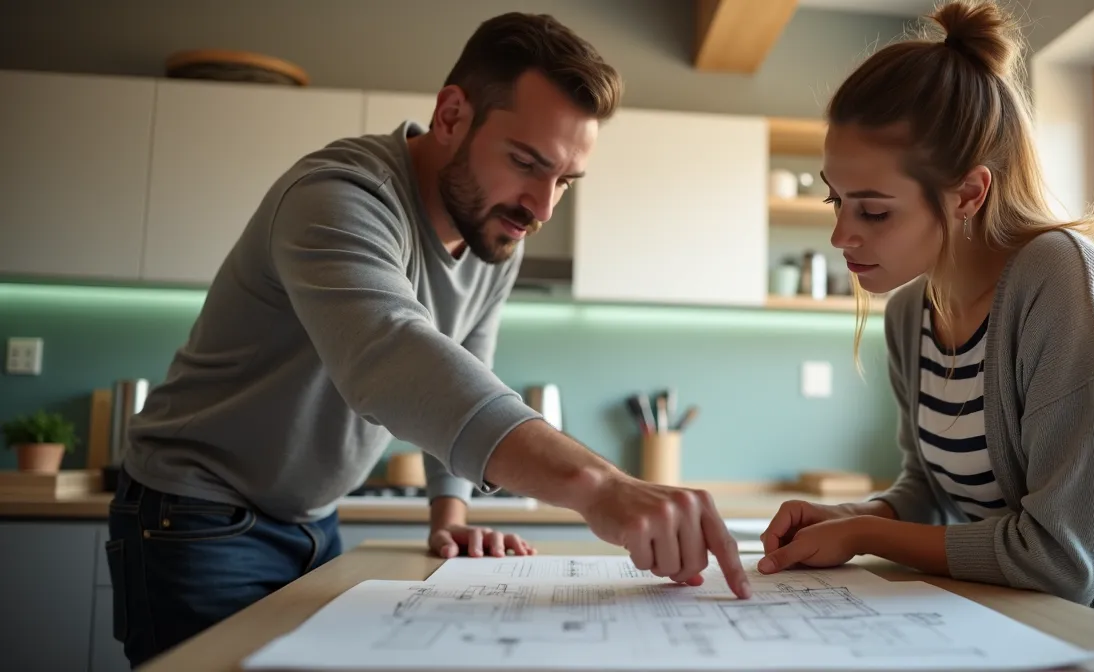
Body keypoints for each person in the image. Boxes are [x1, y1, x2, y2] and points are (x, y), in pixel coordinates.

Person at [106, 12, 749, 668]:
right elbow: (395, 358)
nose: (543, 206)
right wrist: (601, 486)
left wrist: (450, 514)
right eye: (526, 163)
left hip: (312, 523)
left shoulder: (494, 231)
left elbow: (465, 367)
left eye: (564, 180)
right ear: (450, 116)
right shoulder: (336, 197)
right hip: (193, 517)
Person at [754, 0, 1094, 649]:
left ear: (969, 193)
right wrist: (853, 513)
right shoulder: (908, 315)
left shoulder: (1060, 277)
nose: (841, 233)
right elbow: (929, 489)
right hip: (1035, 633)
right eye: (836, 200)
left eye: (873, 210)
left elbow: (1062, 560)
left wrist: (865, 535)